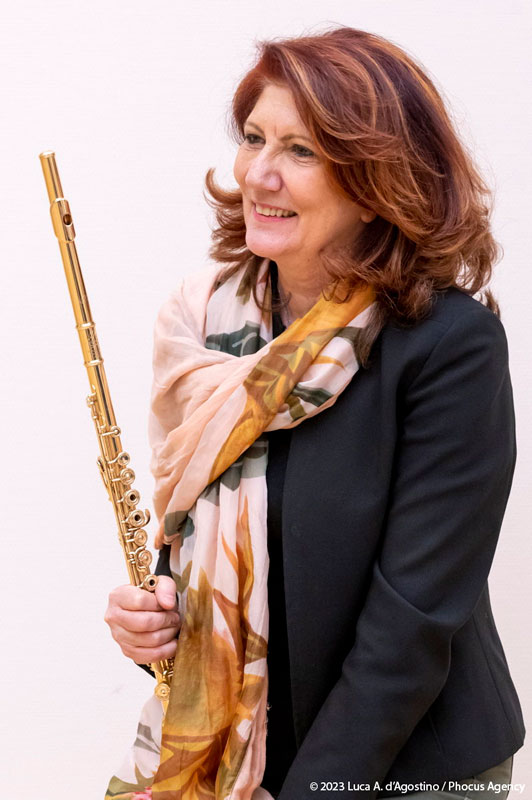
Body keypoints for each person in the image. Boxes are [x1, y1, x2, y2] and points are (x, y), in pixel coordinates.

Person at [103, 26, 525, 800]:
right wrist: (157, 622)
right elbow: (212, 555)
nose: (259, 174)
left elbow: (410, 626)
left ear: (375, 180)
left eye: (301, 151)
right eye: (254, 138)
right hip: (246, 753)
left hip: (412, 767)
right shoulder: (212, 328)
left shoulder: (449, 347)